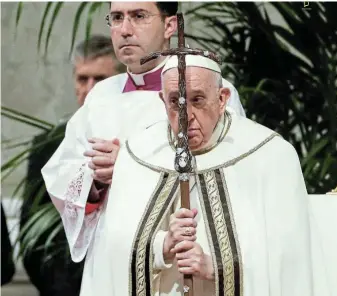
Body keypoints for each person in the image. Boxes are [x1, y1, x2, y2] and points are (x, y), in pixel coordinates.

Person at [67, 55, 313, 295]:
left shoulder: (269, 155)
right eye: (176, 102)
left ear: (222, 98)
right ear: (163, 101)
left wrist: (219, 268)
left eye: (197, 100)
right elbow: (112, 251)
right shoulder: (138, 154)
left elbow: (289, 259)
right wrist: (162, 245)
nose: (186, 116)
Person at [41, 2, 246, 266]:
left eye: (139, 16)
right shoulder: (100, 96)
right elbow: (62, 173)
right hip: (112, 258)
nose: (125, 29)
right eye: (117, 18)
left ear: (170, 25)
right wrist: (94, 182)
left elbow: (229, 174)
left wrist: (129, 165)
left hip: (183, 255)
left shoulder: (205, 90)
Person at [20, 35, 124, 296]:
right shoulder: (46, 145)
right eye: (82, 78)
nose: (89, 88)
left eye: (99, 79)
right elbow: (32, 234)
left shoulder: (141, 138)